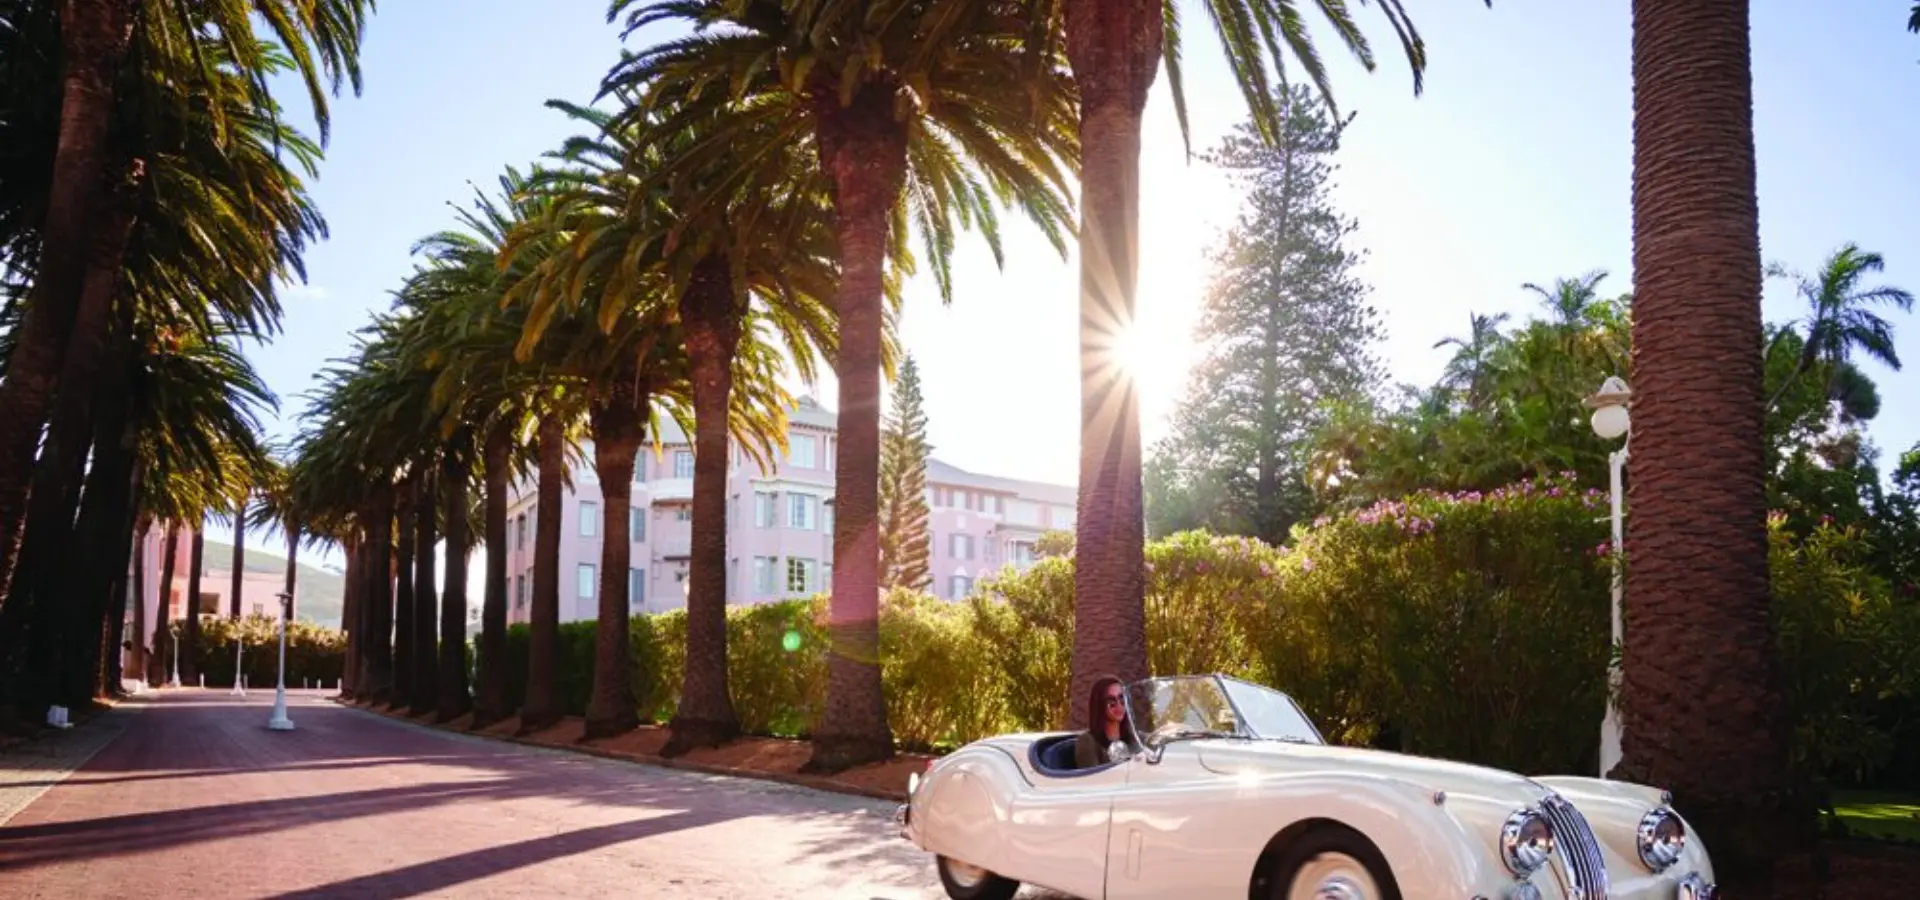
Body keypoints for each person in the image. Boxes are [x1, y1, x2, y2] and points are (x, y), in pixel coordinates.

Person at [1074, 675, 1135, 769]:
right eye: (1111, 702)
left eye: (1122, 699)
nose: (1119, 706)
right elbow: (1092, 779)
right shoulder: (1087, 741)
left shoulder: (1134, 738)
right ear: (1099, 705)